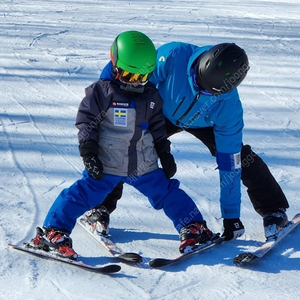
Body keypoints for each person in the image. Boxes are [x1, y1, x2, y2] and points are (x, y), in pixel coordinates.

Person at [29, 31, 214, 259]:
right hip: (107, 164)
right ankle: (53, 232)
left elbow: (157, 127)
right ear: (115, 66)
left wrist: (164, 153)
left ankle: (194, 227)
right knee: (80, 195)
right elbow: (87, 122)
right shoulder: (102, 92)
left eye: (142, 77)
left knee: (168, 192)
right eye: (129, 76)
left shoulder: (151, 95)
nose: (136, 83)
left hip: (142, 165)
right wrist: (88, 152)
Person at [93, 41, 289, 242]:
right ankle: (99, 205)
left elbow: (231, 162)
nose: (199, 92)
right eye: (197, 83)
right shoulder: (173, 56)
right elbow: (125, 68)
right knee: (121, 146)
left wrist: (231, 215)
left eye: (208, 93)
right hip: (159, 111)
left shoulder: (228, 108)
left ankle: (274, 211)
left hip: (203, 122)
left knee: (242, 158)